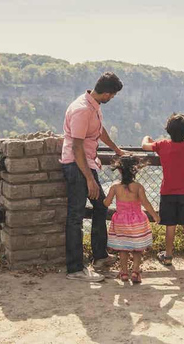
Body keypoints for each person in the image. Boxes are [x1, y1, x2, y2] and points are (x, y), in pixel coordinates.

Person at [60, 72, 128, 282]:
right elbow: (77, 147)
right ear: (106, 92)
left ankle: (99, 257)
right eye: (113, 95)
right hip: (77, 166)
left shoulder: (93, 106)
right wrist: (89, 179)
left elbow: (98, 131)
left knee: (100, 206)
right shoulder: (82, 110)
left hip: (88, 164)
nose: (112, 99)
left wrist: (116, 149)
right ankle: (75, 269)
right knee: (75, 217)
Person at [141, 113, 184, 267]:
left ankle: (168, 256)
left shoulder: (162, 145)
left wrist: (147, 138)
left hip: (167, 193)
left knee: (170, 225)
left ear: (168, 130)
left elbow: (145, 146)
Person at [105, 156, 160, 284]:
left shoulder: (114, 187)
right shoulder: (138, 187)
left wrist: (103, 200)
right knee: (137, 248)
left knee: (123, 248)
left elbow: (106, 203)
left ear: (119, 171)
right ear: (135, 171)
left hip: (121, 222)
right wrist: (155, 216)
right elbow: (146, 203)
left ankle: (124, 272)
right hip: (137, 221)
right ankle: (135, 271)